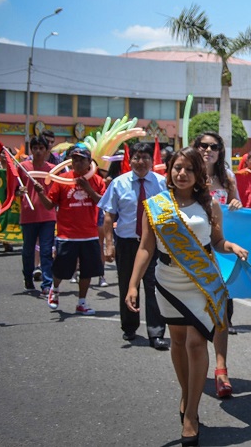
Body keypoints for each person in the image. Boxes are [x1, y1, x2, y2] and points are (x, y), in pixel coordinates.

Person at [125, 146, 248, 447]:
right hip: (167, 282)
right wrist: (132, 284)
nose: (181, 174)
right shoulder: (155, 205)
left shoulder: (210, 207)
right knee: (177, 342)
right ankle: (186, 393)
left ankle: (191, 413)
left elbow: (216, 241)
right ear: (169, 171)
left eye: (188, 169)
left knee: (196, 342)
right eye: (176, 168)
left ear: (198, 175)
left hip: (201, 282)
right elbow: (145, 247)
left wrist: (230, 246)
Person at [99, 141, 170, 349]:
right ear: (130, 161)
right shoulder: (118, 183)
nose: (141, 162)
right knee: (128, 285)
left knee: (154, 287)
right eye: (137, 158)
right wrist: (109, 245)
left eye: (145, 157)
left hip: (154, 244)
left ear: (152, 160)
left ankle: (156, 333)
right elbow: (108, 214)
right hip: (127, 243)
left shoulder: (162, 183)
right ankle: (129, 328)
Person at [193, 131, 241, 399]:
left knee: (220, 313)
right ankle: (195, 366)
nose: (208, 150)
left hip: (219, 251)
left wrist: (235, 202)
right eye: (203, 145)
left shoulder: (227, 178)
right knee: (195, 316)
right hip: (190, 255)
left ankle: (221, 369)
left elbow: (237, 210)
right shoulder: (185, 172)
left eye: (214, 146)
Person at [33, 144, 107, 315]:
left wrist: (88, 188)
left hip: (89, 234)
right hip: (67, 235)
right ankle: (55, 289)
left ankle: (82, 302)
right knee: (61, 269)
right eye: (74, 159)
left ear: (90, 162)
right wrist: (40, 193)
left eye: (82, 159)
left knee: (87, 271)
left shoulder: (97, 181)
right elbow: (50, 205)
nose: (78, 163)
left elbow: (103, 203)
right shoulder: (62, 180)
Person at [18, 134, 57, 297]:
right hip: (28, 215)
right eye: (35, 148)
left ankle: (47, 283)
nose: (38, 151)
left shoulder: (52, 169)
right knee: (27, 251)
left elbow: (56, 192)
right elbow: (14, 188)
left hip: (48, 216)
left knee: (46, 251)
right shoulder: (23, 167)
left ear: (47, 150)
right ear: (31, 150)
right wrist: (18, 191)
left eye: (41, 148)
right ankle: (28, 277)